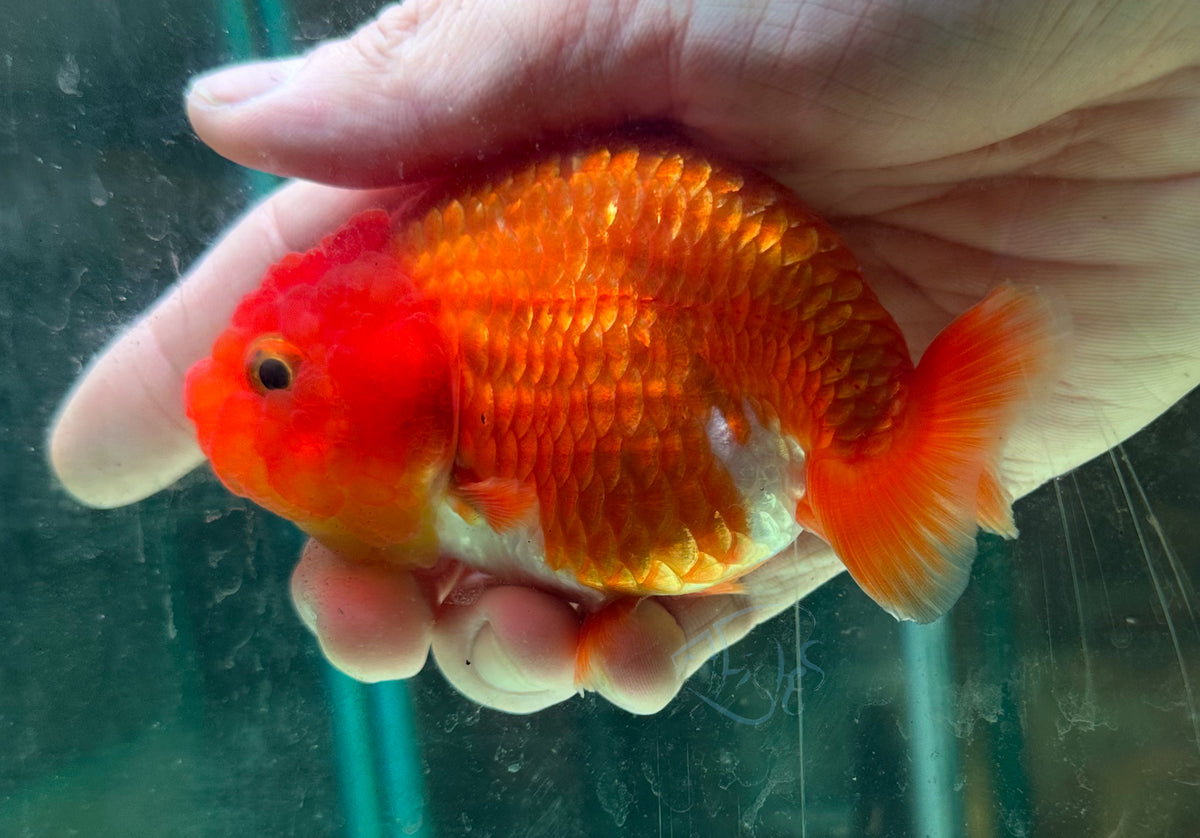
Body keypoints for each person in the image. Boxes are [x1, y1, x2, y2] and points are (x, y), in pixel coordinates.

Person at [49, 0, 1200, 714]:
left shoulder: (470, 365)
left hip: (770, 383)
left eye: (273, 378)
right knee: (596, 641)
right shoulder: (448, 320)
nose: (241, 399)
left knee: (603, 639)